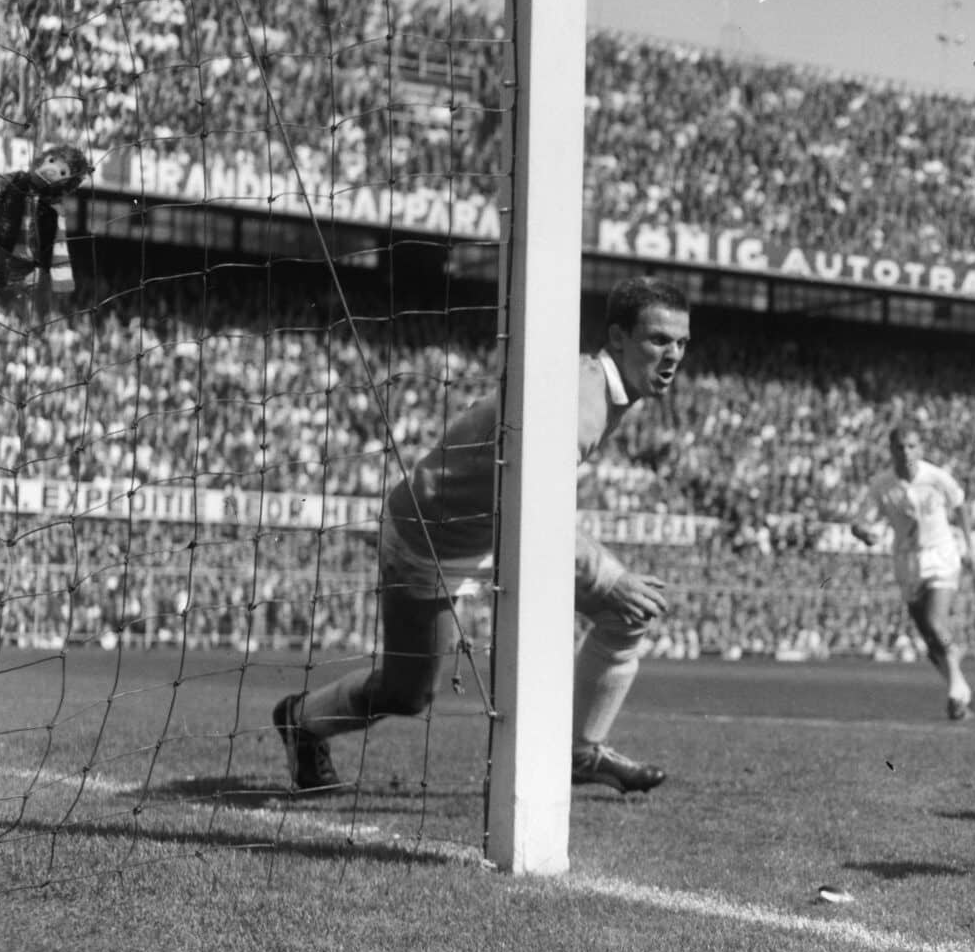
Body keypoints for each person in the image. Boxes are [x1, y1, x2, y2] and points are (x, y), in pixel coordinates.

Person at [272, 275, 692, 796]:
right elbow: (532, 506)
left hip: (492, 530)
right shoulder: (584, 401)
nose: (672, 355)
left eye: (680, 343)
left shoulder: (605, 390)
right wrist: (609, 576)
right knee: (408, 694)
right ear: (618, 337)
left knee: (625, 609)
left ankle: (579, 753)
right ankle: (301, 718)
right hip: (428, 537)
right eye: (658, 340)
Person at [849, 420, 975, 721]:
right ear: (891, 450)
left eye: (911, 446)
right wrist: (864, 533)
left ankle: (959, 688)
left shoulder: (937, 478)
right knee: (929, 639)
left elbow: (960, 505)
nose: (906, 452)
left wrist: (970, 548)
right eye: (899, 446)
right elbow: (859, 522)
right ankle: (957, 693)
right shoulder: (882, 485)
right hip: (907, 563)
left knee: (935, 622)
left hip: (941, 556)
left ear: (920, 448)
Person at [0, 142, 94, 306]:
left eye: (62, 172)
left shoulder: (51, 212)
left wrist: (40, 270)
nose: (52, 170)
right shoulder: (19, 180)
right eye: (51, 161)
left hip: (15, 262)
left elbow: (48, 247)